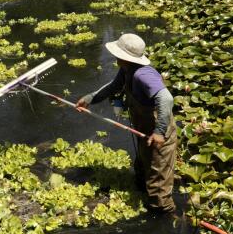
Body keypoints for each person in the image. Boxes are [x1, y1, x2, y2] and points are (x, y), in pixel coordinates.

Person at [76, 33, 177, 214]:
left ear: (124, 56)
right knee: (141, 172)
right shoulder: (127, 69)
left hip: (159, 136)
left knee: (158, 191)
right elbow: (113, 86)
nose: (115, 57)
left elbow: (166, 98)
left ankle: (168, 220)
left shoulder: (143, 75)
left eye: (117, 54)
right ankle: (145, 202)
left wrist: (160, 131)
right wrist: (90, 98)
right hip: (145, 134)